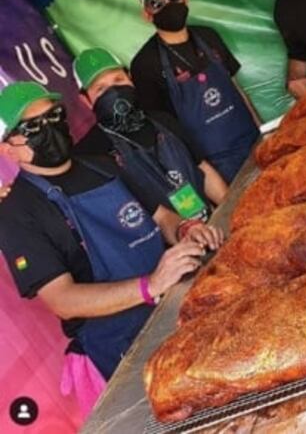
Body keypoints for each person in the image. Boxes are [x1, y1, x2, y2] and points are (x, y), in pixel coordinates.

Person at [0, 81, 208, 382]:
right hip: (128, 344)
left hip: (180, 300)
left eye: (54, 116)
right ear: (8, 150)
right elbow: (63, 300)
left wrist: (187, 229)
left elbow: (163, 217)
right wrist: (150, 285)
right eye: (32, 128)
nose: (49, 128)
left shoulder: (103, 165)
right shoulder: (16, 213)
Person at [73, 47, 228, 243]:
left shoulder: (163, 120)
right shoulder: (90, 154)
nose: (114, 92)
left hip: (212, 229)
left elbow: (203, 169)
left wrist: (229, 208)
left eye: (118, 80)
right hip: (171, 252)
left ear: (130, 78)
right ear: (85, 100)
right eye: (101, 89)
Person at [130, 0, 261, 183]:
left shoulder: (208, 36)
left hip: (254, 140)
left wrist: (262, 132)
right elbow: (165, 133)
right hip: (217, 166)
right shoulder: (144, 64)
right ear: (147, 14)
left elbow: (236, 87)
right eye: (157, 3)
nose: (168, 5)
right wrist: (209, 180)